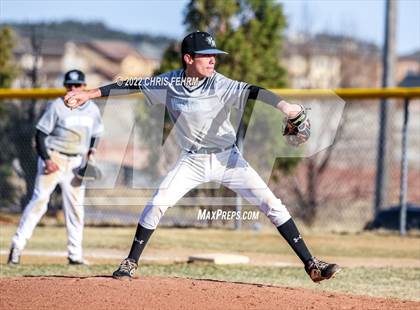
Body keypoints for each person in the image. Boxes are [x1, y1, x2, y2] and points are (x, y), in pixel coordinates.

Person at [64, 32, 340, 281]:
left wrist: (285, 106)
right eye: (206, 56)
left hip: (229, 160)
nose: (212, 61)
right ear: (188, 59)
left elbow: (253, 91)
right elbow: (131, 84)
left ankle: (311, 265)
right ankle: (130, 262)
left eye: (214, 56)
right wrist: (89, 93)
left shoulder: (220, 84)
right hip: (192, 161)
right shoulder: (169, 83)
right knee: (158, 202)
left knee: (272, 204)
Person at [8, 70, 104, 265]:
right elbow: (40, 134)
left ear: (84, 86)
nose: (73, 89)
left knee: (76, 209)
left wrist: (92, 151)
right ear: (65, 87)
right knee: (39, 202)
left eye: (77, 85)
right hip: (55, 157)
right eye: (69, 85)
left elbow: (96, 133)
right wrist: (47, 159)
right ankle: (16, 248)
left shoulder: (92, 109)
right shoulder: (57, 106)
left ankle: (75, 256)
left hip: (76, 162)